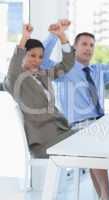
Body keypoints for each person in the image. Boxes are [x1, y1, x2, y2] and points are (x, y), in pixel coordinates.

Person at [41, 21, 109, 200]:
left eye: (92, 45)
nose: (88, 48)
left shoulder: (97, 70)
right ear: (74, 48)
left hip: (99, 125)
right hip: (75, 129)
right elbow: (43, 62)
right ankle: (108, 195)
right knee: (97, 141)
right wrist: (53, 35)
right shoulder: (64, 70)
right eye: (84, 44)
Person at [4, 22, 75, 158]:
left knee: (91, 140)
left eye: (40, 57)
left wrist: (61, 36)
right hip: (43, 142)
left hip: (60, 132)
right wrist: (25, 37)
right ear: (24, 55)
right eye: (32, 55)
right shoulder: (15, 77)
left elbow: (67, 64)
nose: (37, 60)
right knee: (88, 141)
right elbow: (15, 61)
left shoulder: (42, 75)